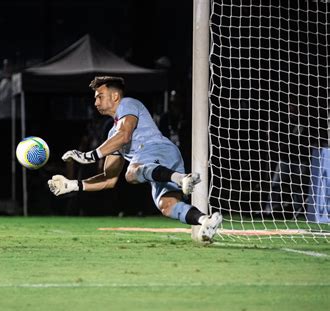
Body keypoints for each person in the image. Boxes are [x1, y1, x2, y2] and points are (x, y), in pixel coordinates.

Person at [47, 76, 222, 243]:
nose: (96, 103)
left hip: (157, 150)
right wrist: (73, 185)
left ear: (115, 96)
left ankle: (181, 178)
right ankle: (206, 220)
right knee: (167, 205)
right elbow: (109, 179)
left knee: (131, 174)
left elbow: (124, 135)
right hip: (162, 164)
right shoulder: (111, 134)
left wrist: (88, 156)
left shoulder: (127, 103)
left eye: (100, 96)